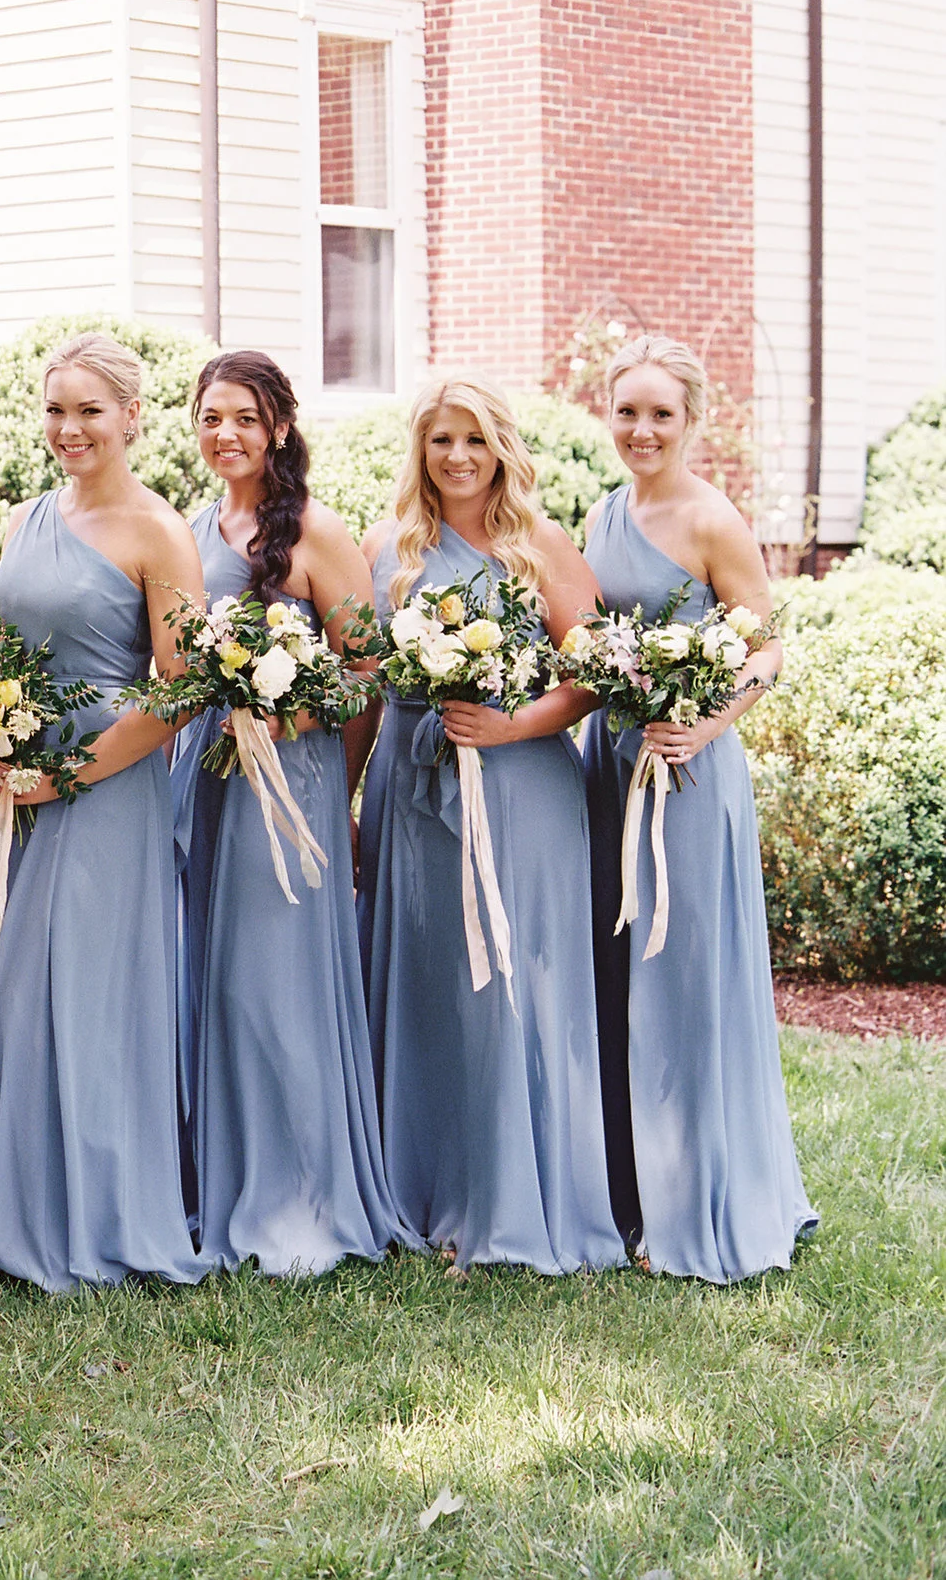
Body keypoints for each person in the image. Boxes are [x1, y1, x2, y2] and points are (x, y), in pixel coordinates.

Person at [0, 332, 209, 1292]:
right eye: (56, 409)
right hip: (22, 779)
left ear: (133, 418)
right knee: (23, 986)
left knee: (97, 991)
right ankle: (21, 1207)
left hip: (109, 785)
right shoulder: (25, 518)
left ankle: (103, 1214)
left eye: (89, 411)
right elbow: (5, 664)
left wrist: (65, 777)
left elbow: (182, 691)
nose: (69, 428)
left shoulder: (159, 531)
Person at [354, 377, 621, 1275]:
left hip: (519, 793)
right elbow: (362, 689)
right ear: (419, 451)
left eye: (474, 440)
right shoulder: (385, 548)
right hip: (414, 790)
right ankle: (423, 1191)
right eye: (440, 441)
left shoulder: (538, 545)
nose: (458, 457)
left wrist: (511, 724)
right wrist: (352, 798)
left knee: (512, 987)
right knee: (430, 984)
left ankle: (513, 1199)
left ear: (501, 448)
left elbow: (589, 679)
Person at [581, 335, 815, 1281]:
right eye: (627, 411)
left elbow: (764, 649)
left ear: (692, 421)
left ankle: (697, 1200)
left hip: (684, 774)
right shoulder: (601, 514)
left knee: (681, 980)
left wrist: (706, 725)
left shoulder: (713, 518)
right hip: (607, 770)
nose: (641, 430)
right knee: (614, 979)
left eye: (661, 414)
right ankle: (623, 1194)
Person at [176, 351, 410, 1276]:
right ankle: (219, 1184)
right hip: (209, 774)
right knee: (215, 978)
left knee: (276, 990)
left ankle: (300, 1193)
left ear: (278, 426)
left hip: (294, 785)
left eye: (243, 417)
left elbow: (371, 672)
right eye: (209, 418)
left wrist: (299, 721)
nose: (224, 434)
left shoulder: (318, 531)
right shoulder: (192, 528)